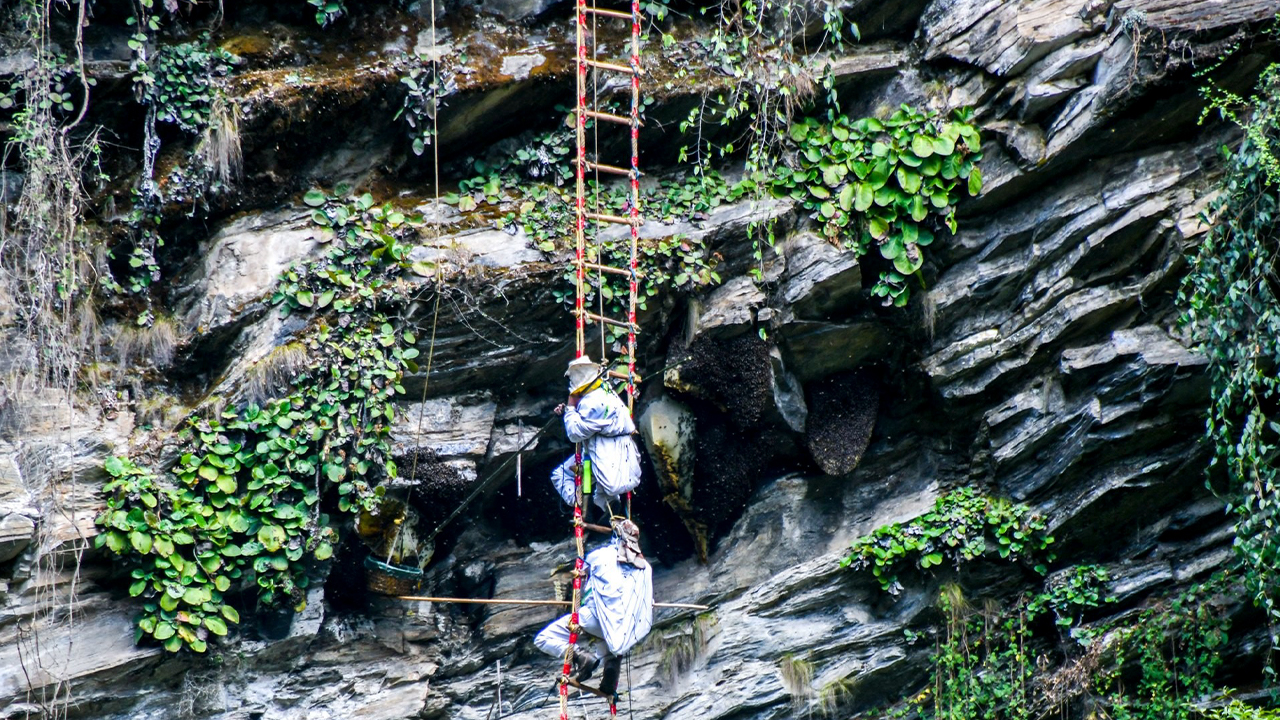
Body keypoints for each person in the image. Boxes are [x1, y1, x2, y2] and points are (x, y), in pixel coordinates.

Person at [534, 519, 653, 696]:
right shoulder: (645, 568)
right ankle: (610, 676)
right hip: (621, 626)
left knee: (543, 638)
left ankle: (581, 656)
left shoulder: (601, 555)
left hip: (593, 617)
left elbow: (584, 571)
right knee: (611, 646)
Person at [550, 355, 641, 512]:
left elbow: (575, 433)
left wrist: (571, 407)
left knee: (560, 474)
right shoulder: (607, 391)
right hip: (620, 450)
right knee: (602, 491)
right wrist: (566, 411)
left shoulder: (591, 402)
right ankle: (608, 505)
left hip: (599, 454)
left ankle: (577, 501)